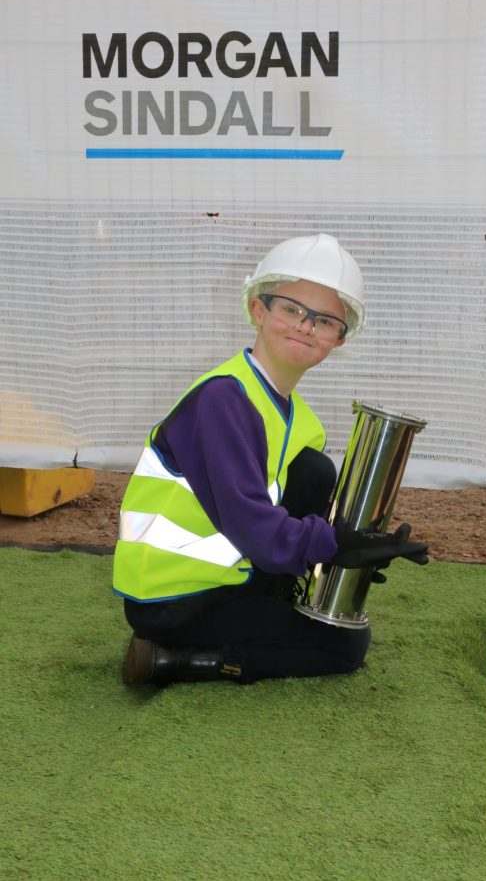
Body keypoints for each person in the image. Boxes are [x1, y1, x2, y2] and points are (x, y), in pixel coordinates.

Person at [113, 233, 428, 685]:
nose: (306, 326)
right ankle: (175, 658)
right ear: (258, 311)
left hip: (228, 577)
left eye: (324, 321)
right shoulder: (223, 398)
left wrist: (343, 555)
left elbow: (291, 505)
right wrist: (336, 546)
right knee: (344, 645)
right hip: (169, 596)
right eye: (292, 309)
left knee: (314, 472)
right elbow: (252, 523)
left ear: (337, 340)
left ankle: (268, 601)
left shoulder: (300, 419)